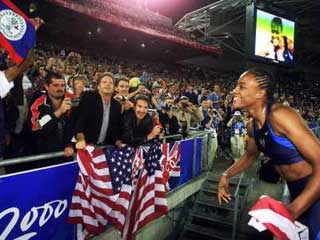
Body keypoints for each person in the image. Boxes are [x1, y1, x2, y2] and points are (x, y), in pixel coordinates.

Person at [217, 68, 320, 239]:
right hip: (296, 189)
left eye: (241, 86)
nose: (234, 90)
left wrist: (293, 210)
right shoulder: (252, 126)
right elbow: (250, 156)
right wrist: (226, 175)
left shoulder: (281, 116)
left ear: (260, 93)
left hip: (314, 188)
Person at [75, 72, 122, 149]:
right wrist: (81, 139)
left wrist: (118, 141)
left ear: (114, 88)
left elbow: (114, 128)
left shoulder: (117, 105)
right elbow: (80, 122)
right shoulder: (89, 98)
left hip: (104, 148)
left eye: (111, 83)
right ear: (99, 86)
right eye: (104, 82)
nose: (107, 84)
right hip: (86, 146)